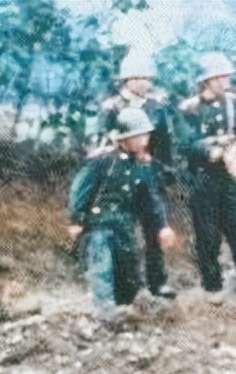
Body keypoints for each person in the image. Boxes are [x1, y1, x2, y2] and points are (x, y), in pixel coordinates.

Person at [66, 108, 173, 317]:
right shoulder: (102, 160)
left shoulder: (142, 166)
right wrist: (76, 220)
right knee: (102, 268)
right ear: (123, 139)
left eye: (145, 136)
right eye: (138, 137)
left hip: (124, 226)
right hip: (99, 224)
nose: (143, 141)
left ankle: (125, 308)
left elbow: (151, 199)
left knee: (129, 279)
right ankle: (106, 313)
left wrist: (162, 226)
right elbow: (80, 190)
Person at [178, 52, 236, 303]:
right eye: (220, 77)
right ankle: (212, 288)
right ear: (207, 80)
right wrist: (210, 151)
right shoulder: (190, 109)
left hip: (229, 178)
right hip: (203, 180)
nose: (225, 81)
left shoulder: (233, 103)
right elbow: (184, 145)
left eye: (226, 76)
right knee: (208, 237)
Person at [98, 51, 184, 299]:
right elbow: (100, 144)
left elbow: (164, 143)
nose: (146, 83)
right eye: (140, 78)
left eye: (147, 78)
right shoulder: (111, 108)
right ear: (129, 80)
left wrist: (166, 172)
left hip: (149, 176)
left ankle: (157, 282)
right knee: (121, 232)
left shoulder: (156, 107)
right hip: (120, 178)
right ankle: (124, 286)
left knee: (155, 228)